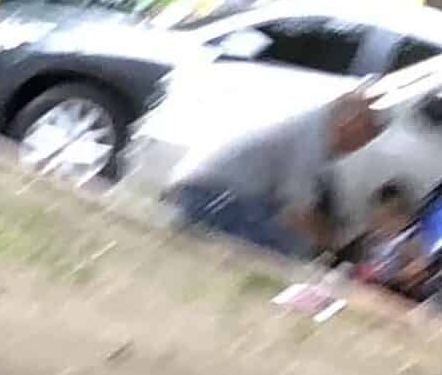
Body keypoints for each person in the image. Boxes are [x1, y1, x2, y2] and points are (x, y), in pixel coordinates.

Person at [165, 87, 384, 262]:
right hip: (208, 196)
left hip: (198, 185)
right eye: (362, 139)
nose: (356, 148)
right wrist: (338, 245)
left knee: (287, 231)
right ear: (351, 123)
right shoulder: (311, 138)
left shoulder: (308, 120)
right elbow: (297, 212)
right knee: (293, 245)